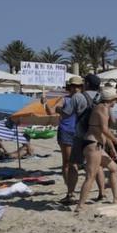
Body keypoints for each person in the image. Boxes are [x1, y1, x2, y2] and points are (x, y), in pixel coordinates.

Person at [75, 87, 117, 214]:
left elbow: (106, 128)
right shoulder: (102, 108)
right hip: (92, 145)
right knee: (90, 176)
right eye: (115, 99)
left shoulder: (105, 108)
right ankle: (80, 206)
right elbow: (104, 130)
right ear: (111, 99)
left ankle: (116, 198)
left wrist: (112, 148)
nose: (116, 102)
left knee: (114, 168)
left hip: (97, 144)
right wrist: (116, 141)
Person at [49, 75, 86, 203]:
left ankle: (71, 191)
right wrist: (46, 104)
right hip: (66, 131)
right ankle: (70, 191)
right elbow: (51, 111)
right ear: (69, 87)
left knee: (73, 163)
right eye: (73, 86)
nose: (76, 88)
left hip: (78, 132)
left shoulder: (83, 99)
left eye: (78, 86)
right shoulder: (64, 99)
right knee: (68, 162)